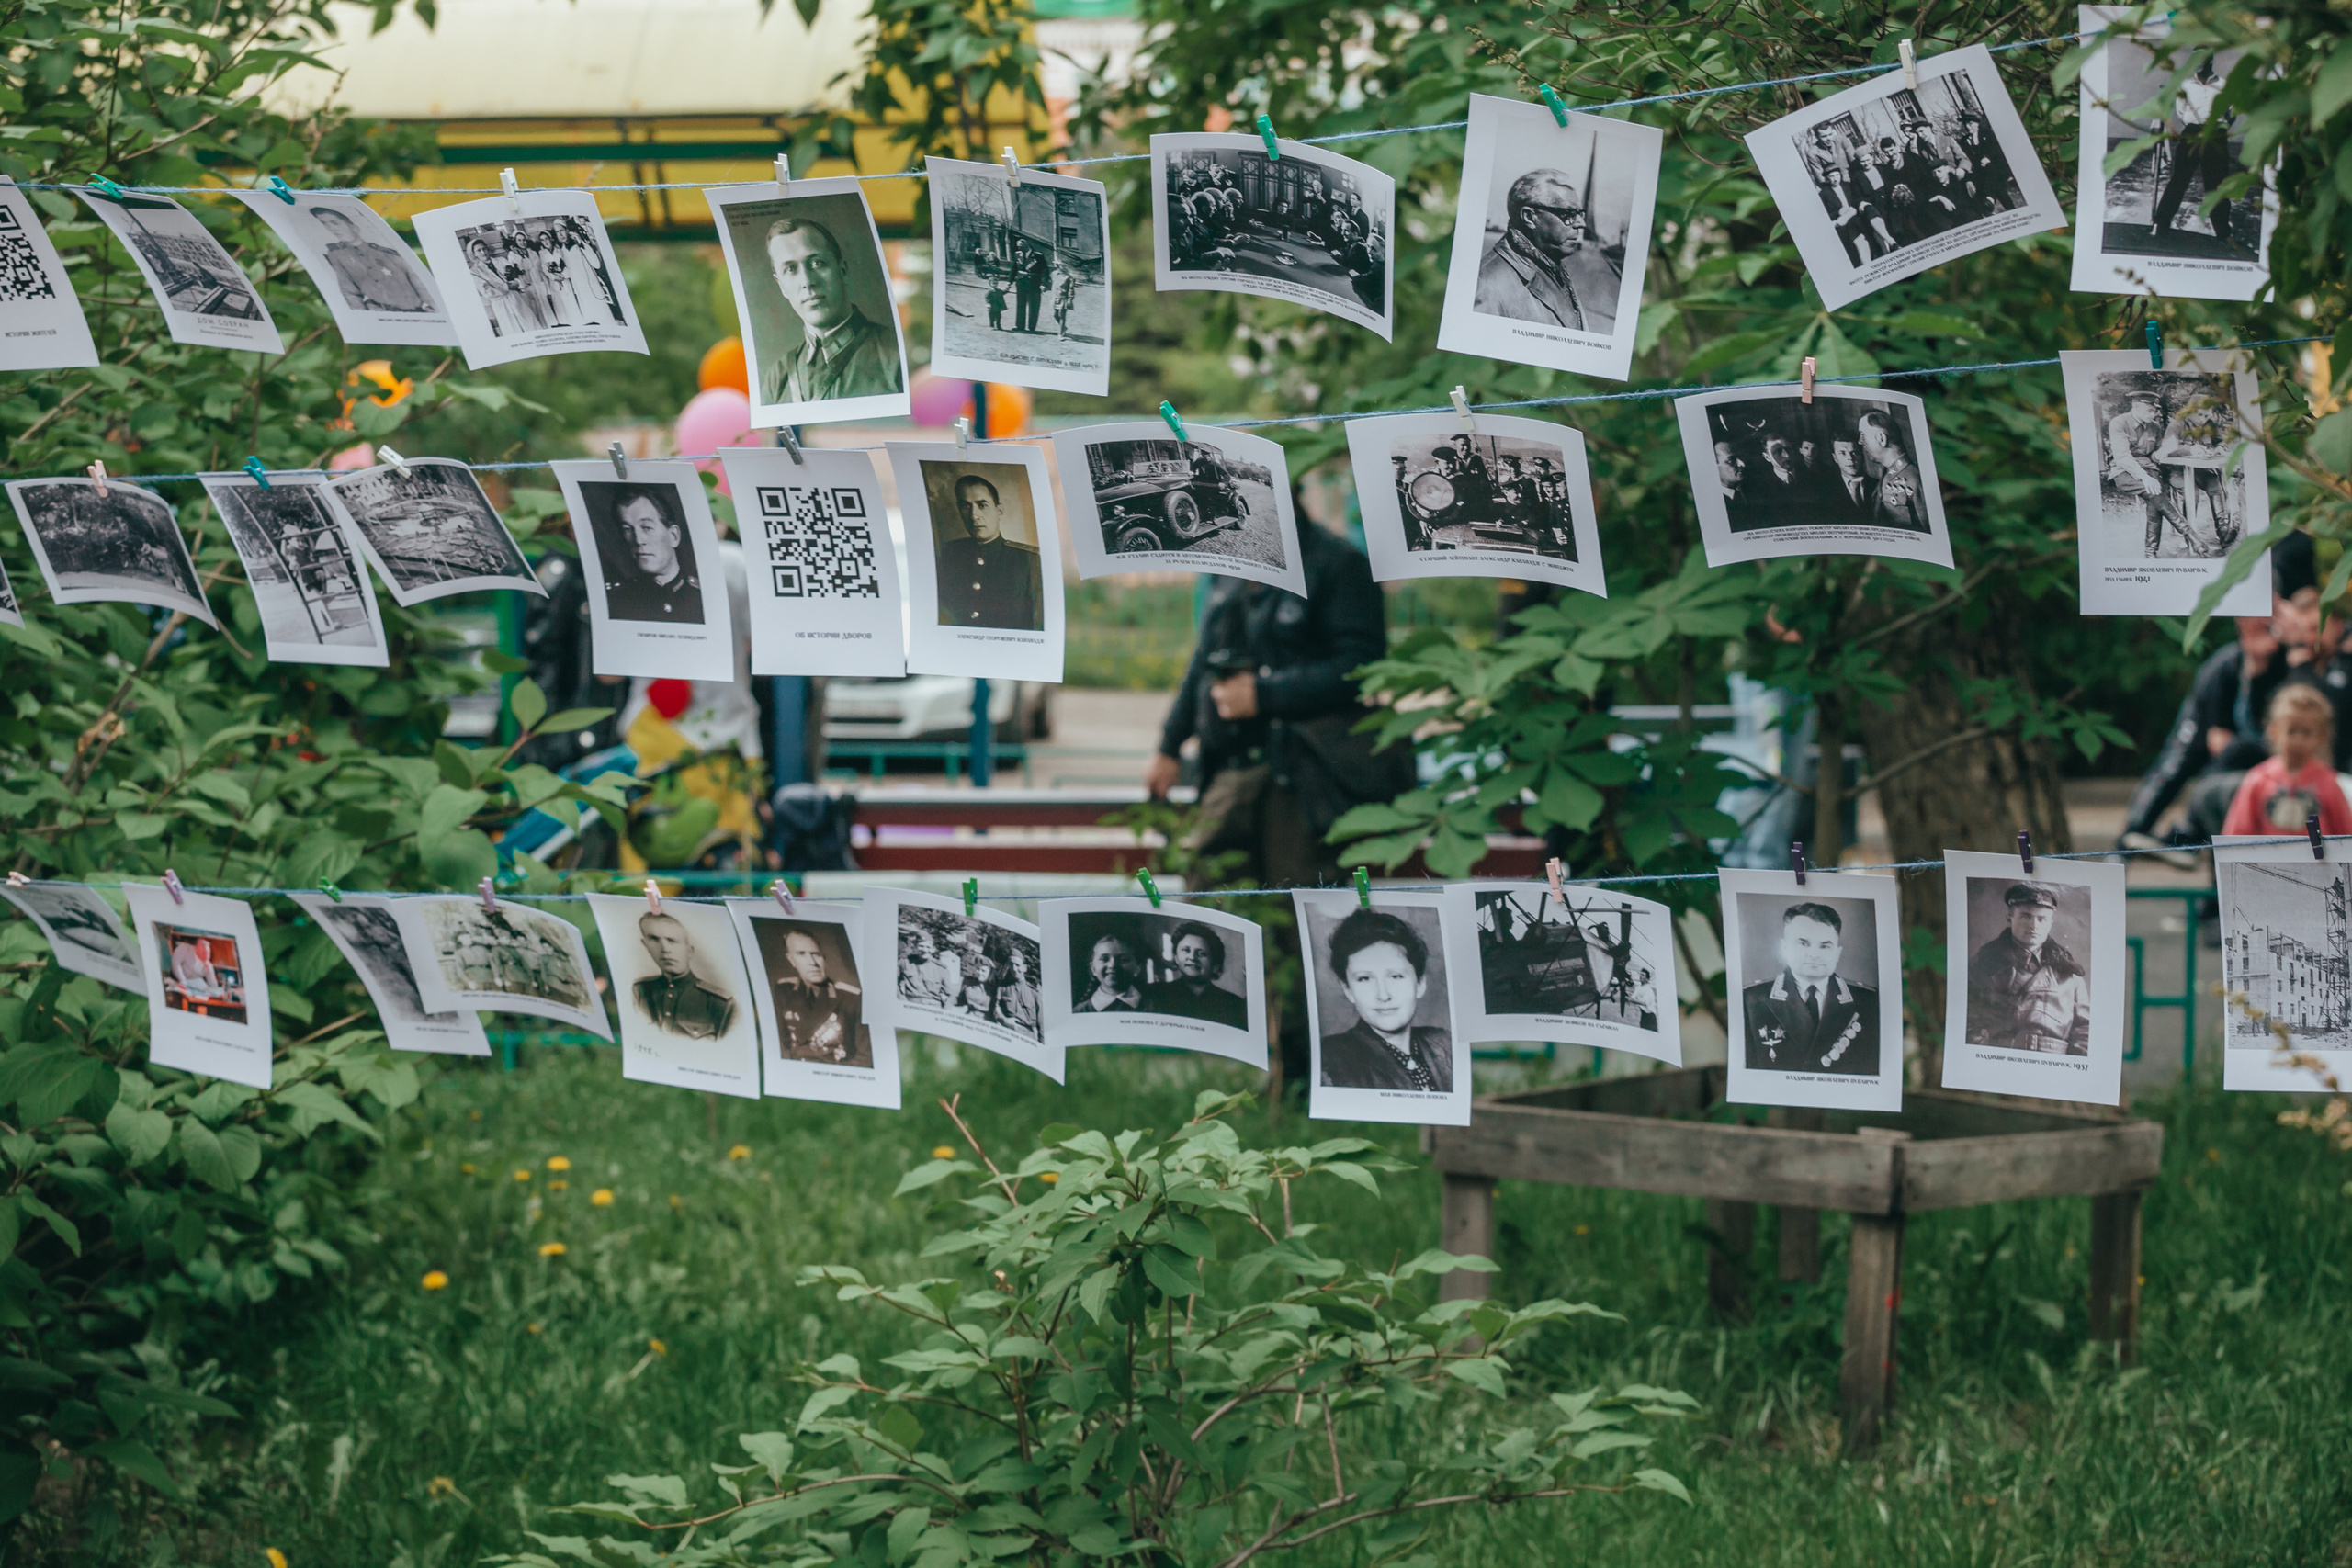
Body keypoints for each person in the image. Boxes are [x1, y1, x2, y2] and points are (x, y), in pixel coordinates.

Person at [760, 216, 902, 406]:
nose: (807, 281)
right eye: (791, 269)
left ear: (842, 270)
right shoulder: (778, 378)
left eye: (817, 263)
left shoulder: (895, 354)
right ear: (781, 286)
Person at [1317, 908, 1453, 1093]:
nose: (1383, 995)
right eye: (1364, 979)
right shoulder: (1329, 1061)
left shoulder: (1444, 1043)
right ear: (1348, 990)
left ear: (1420, 983)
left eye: (1396, 976)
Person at [1741, 901, 1878, 1076]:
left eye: (1824, 946)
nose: (1814, 955)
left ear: (1837, 953)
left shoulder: (1868, 1001)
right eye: (1803, 944)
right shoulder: (1752, 1000)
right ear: (1785, 948)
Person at [1964, 883, 2092, 1055]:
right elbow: (1968, 1021)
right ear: (2010, 918)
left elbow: (2085, 1031)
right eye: (2025, 917)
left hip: (2055, 1062)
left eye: (2041, 919)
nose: (2033, 926)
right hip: (2002, 1058)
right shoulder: (1984, 965)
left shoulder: (2069, 973)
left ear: (2050, 924)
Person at [2221, 684, 2352, 839]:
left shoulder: (2328, 783)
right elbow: (2237, 834)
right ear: (2274, 731)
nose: (2298, 740)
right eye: (2291, 731)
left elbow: (2346, 836)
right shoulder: (2258, 779)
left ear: (2321, 736)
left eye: (2307, 733)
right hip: (2266, 855)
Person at [1473, 169, 1589, 330]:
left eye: (1580, 214)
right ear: (1529, 217)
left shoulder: (1551, 263)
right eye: (1569, 213)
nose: (1581, 224)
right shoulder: (1487, 285)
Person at [933, 472, 1043, 629]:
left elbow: (1036, 624)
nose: (974, 515)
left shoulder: (1028, 560)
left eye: (982, 505)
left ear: (999, 510)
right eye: (966, 506)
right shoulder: (949, 555)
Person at [2150, 57, 2238, 251]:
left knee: (2217, 185)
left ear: (2211, 59)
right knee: (2179, 180)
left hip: (2216, 134)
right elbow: (2181, 112)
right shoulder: (2185, 85)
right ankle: (2161, 224)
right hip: (2192, 132)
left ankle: (2223, 234)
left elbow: (2232, 112)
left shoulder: (2224, 85)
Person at [2106, 389, 2195, 556]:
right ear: (2136, 407)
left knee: (2155, 499)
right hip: (2124, 471)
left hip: (2149, 469)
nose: (2153, 414)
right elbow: (2122, 457)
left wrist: (2164, 452)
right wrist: (2144, 477)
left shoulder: (2154, 427)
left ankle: (2151, 552)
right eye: (2149, 410)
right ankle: (2192, 536)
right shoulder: (2119, 423)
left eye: (2155, 411)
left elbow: (2154, 453)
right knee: (2156, 494)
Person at [602, 488, 703, 623]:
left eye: (646, 527)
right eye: (627, 529)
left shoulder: (702, 596)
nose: (638, 540)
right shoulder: (614, 599)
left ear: (673, 536)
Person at [311, 206, 434, 314]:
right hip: (381, 315)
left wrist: (434, 308)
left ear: (354, 227)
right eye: (325, 224)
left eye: (335, 223)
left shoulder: (387, 253)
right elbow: (348, 290)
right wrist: (364, 317)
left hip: (415, 311)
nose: (331, 228)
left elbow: (418, 281)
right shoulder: (338, 256)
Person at [632, 912, 737, 1039]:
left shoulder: (720, 1003)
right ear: (646, 945)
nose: (665, 949)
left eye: (672, 941)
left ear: (689, 951)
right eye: (654, 939)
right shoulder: (639, 991)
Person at [772, 927, 863, 1065]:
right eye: (801, 954)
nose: (812, 962)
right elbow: (782, 1046)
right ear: (791, 960)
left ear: (824, 958)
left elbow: (865, 1058)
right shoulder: (784, 993)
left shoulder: (851, 998)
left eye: (816, 954)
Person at [1141, 921, 1250, 1029]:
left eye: (1201, 953)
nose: (1192, 958)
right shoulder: (1155, 994)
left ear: (1215, 965)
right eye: (1186, 950)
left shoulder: (1233, 1004)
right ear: (1176, 958)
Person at [1855, 411, 1928, 530]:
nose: (1860, 441)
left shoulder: (1914, 479)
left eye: (1863, 435)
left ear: (1882, 438)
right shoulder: (1887, 475)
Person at [1073, 931, 1144, 1012]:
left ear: (1137, 968)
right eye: (1104, 959)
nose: (1112, 965)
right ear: (1093, 969)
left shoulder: (1153, 1006)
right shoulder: (1080, 1011)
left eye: (1123, 959)